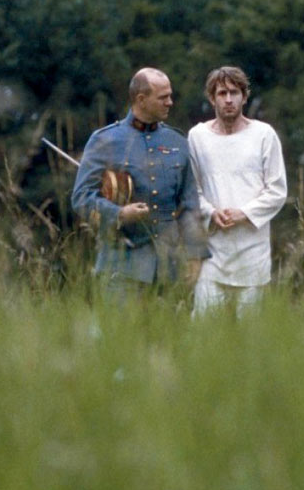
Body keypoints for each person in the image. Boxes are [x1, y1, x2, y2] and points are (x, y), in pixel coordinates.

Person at [71, 67, 207, 296]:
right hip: (121, 270)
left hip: (169, 272)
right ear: (141, 100)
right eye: (163, 97)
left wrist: (196, 256)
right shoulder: (104, 140)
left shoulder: (177, 141)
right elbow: (81, 198)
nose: (170, 102)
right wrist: (119, 214)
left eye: (170, 96)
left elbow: (190, 205)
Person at [187, 66, 287, 314]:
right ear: (212, 98)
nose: (229, 100)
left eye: (234, 92)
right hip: (213, 254)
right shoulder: (197, 137)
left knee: (250, 337)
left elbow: (277, 190)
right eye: (222, 93)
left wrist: (244, 213)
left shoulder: (264, 135)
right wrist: (210, 212)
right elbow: (191, 190)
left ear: (245, 96)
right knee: (204, 330)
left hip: (253, 253)